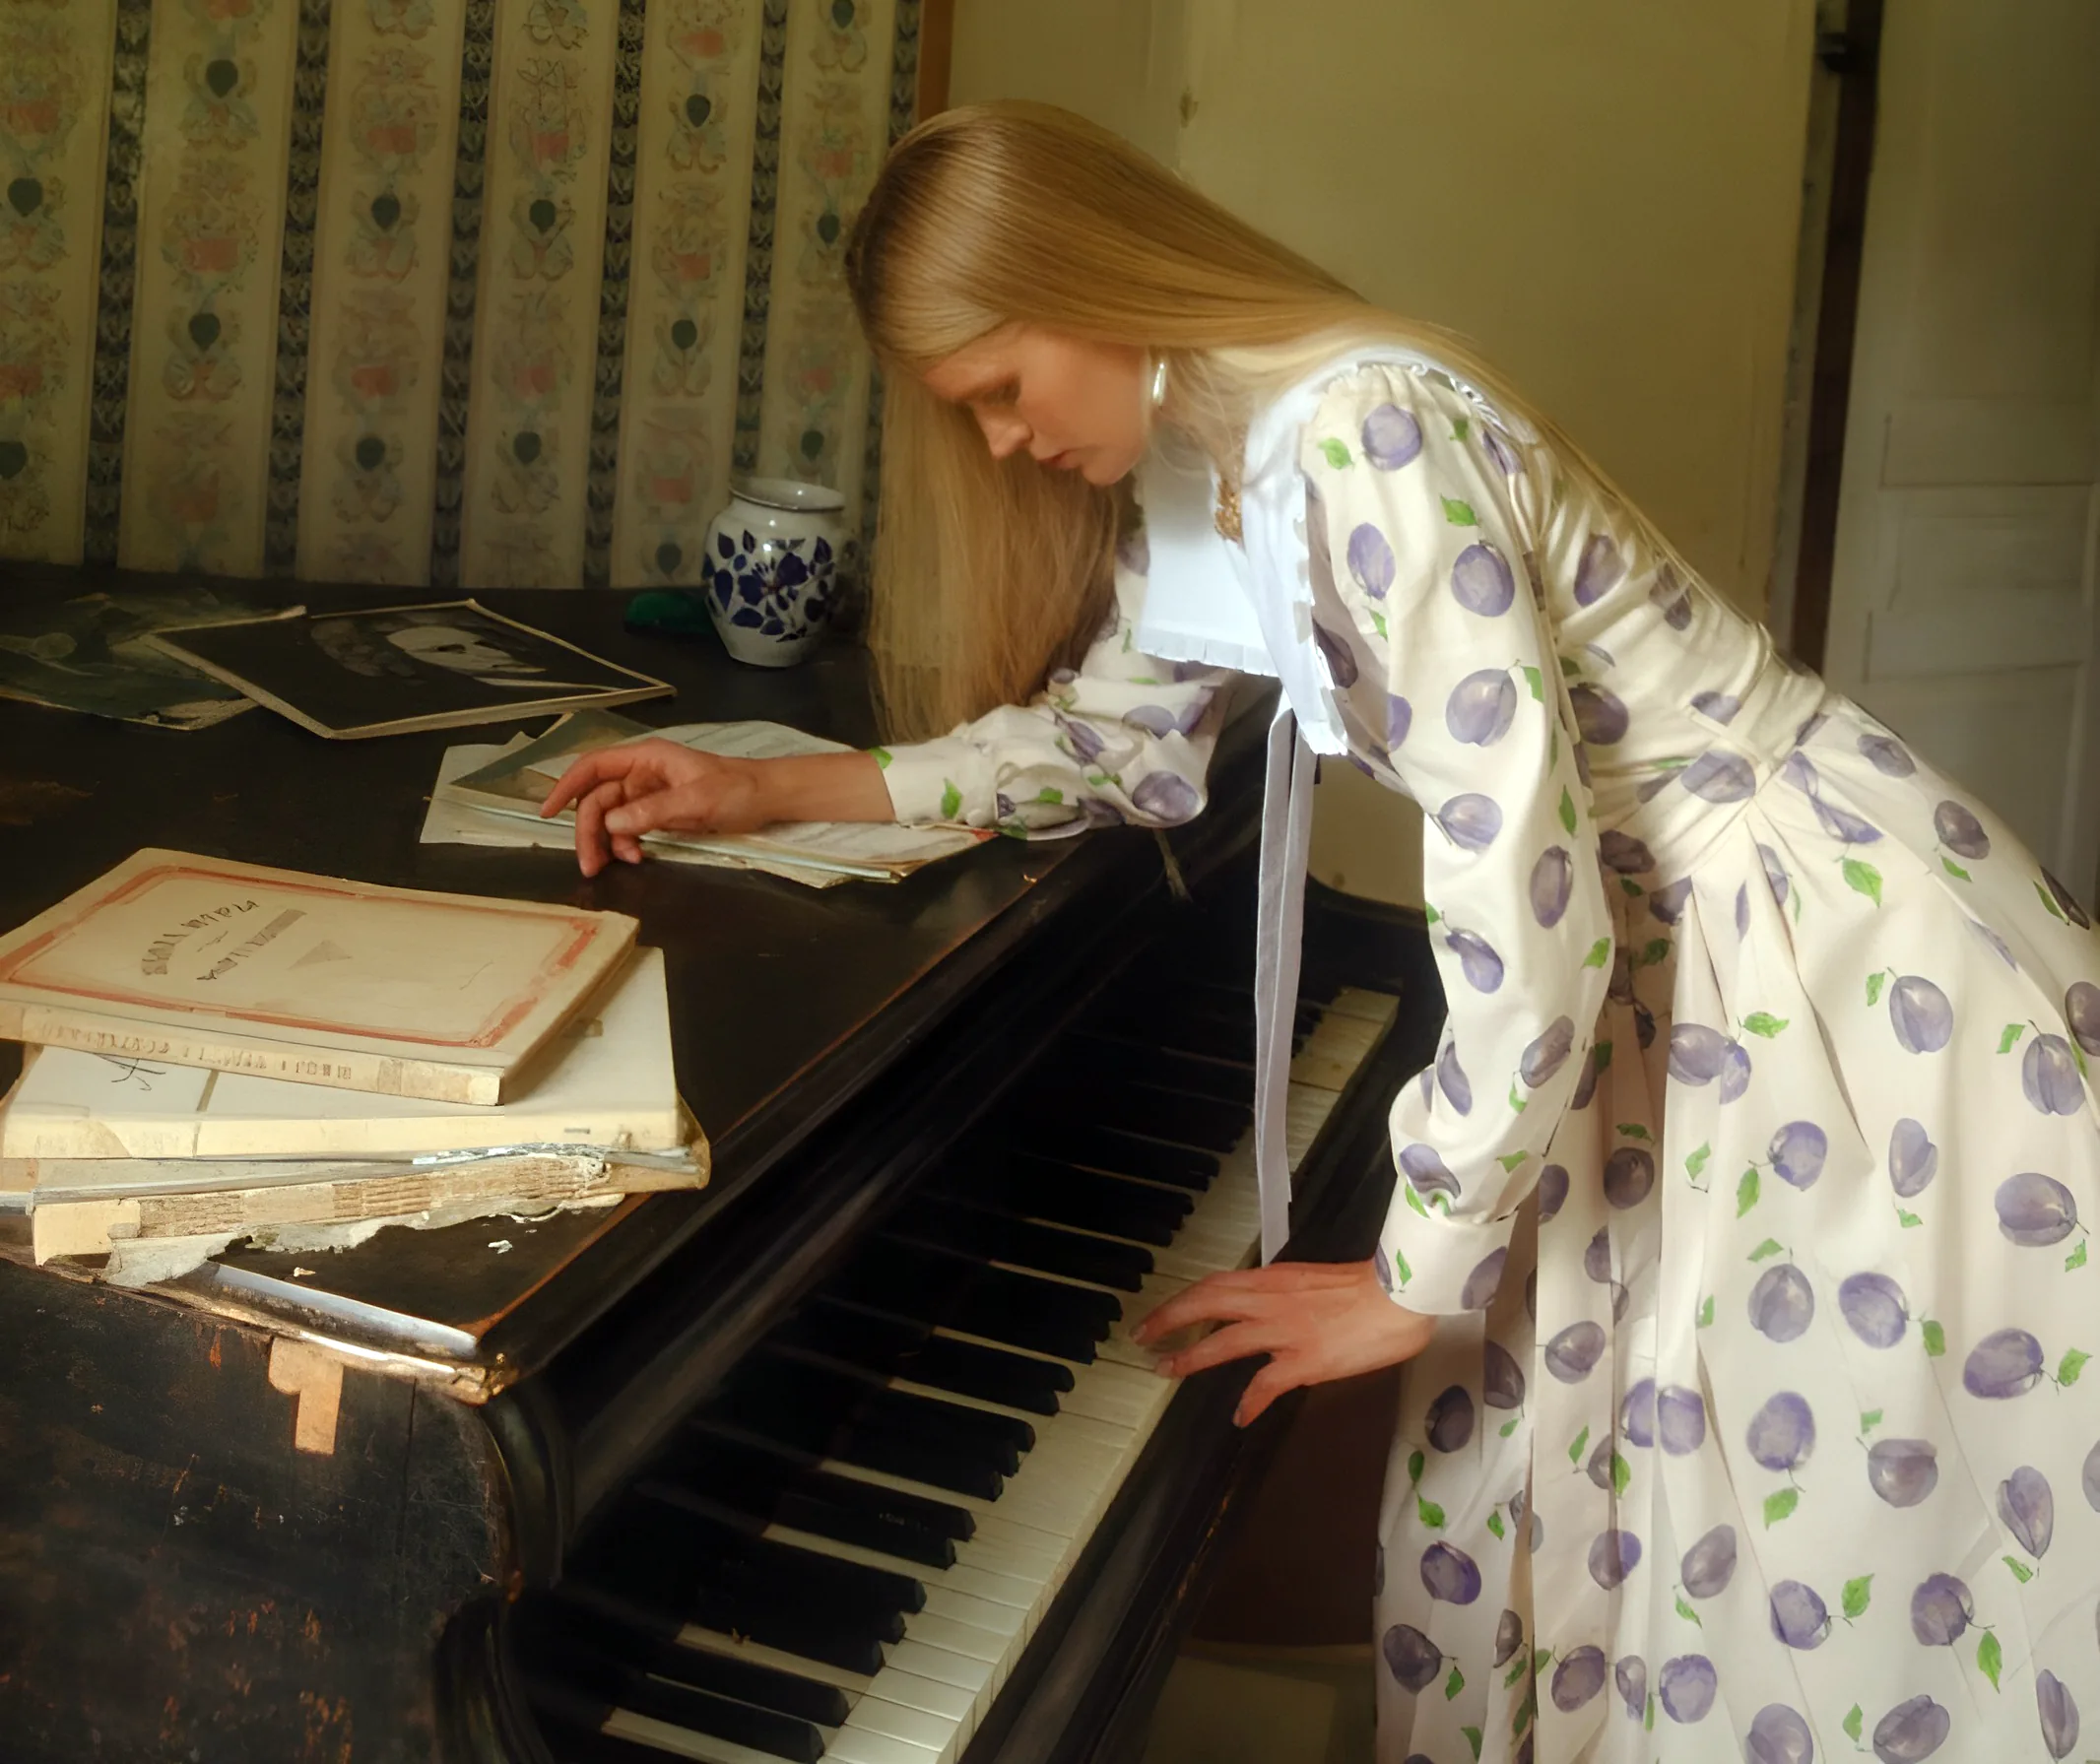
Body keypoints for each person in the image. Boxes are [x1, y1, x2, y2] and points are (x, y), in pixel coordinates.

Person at [542, 101, 2100, 1764]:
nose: (998, 443)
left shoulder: (1359, 434)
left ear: (1084, 278)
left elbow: (1528, 893)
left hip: (1817, 964)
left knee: (1862, 1529)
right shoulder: (1216, 462)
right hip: (1674, 979)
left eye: (1000, 388)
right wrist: (762, 794)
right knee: (1668, 1529)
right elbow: (1112, 747)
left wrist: (1410, 1268)